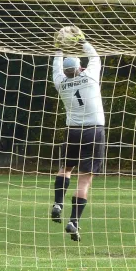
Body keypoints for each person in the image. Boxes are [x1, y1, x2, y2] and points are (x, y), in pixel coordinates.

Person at [51, 26, 106, 242]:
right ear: (81, 67)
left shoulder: (60, 83)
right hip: (94, 131)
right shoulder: (90, 77)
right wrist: (81, 39)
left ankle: (58, 202)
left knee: (65, 169)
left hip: (73, 132)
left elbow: (56, 66)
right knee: (84, 181)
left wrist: (59, 48)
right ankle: (74, 221)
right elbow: (95, 57)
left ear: (66, 72)